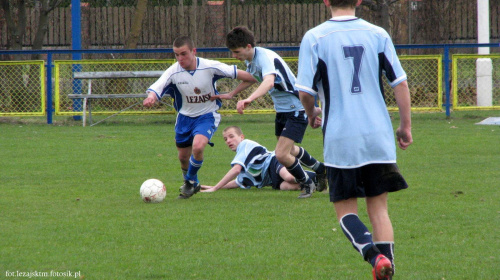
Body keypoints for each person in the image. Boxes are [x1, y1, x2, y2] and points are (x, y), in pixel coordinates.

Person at [296, 0, 413, 279]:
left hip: (341, 138)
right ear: (359, 0)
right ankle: (388, 270)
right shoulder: (378, 34)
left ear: (326, 1)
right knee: (379, 208)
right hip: (378, 136)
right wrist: (405, 126)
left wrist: (312, 112)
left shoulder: (315, 37)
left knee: (345, 211)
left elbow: (304, 91)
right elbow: (400, 84)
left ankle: (375, 257)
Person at [212, 26, 326, 199]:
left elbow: (269, 82)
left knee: (281, 154)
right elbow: (252, 78)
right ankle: (320, 169)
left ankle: (308, 183)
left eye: (236, 51)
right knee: (289, 150)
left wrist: (249, 99)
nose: (234, 55)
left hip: (296, 108)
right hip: (282, 111)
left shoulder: (265, 57)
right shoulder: (251, 60)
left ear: (248, 46)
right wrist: (232, 94)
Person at [143, 35, 257, 199]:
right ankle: (192, 182)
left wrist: (233, 93)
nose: (180, 58)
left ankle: (189, 182)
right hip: (184, 118)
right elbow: (156, 87)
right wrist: (151, 97)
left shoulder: (210, 67)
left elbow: (250, 77)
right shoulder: (173, 72)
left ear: (193, 51)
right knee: (183, 158)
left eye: (183, 54)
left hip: (206, 115)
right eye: (176, 54)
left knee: (198, 146)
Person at [201, 126, 318, 192]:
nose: (229, 141)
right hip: (272, 179)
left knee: (289, 177)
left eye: (231, 137)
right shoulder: (243, 162)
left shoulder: (245, 145)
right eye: (225, 139)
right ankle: (317, 184)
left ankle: (322, 175)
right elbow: (237, 182)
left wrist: (215, 188)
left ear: (241, 137)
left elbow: (236, 170)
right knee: (287, 187)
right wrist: (212, 186)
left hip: (273, 162)